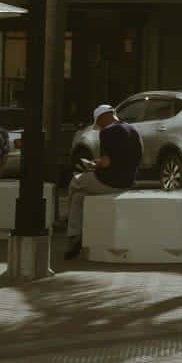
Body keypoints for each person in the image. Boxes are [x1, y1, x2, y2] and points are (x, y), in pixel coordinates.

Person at [64, 104, 142, 260]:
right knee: (79, 196)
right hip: (127, 182)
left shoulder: (108, 132)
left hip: (108, 182)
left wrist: (93, 164)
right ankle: (77, 233)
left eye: (98, 123)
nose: (98, 127)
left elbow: (106, 162)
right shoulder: (132, 130)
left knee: (75, 182)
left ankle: (73, 234)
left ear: (102, 118)